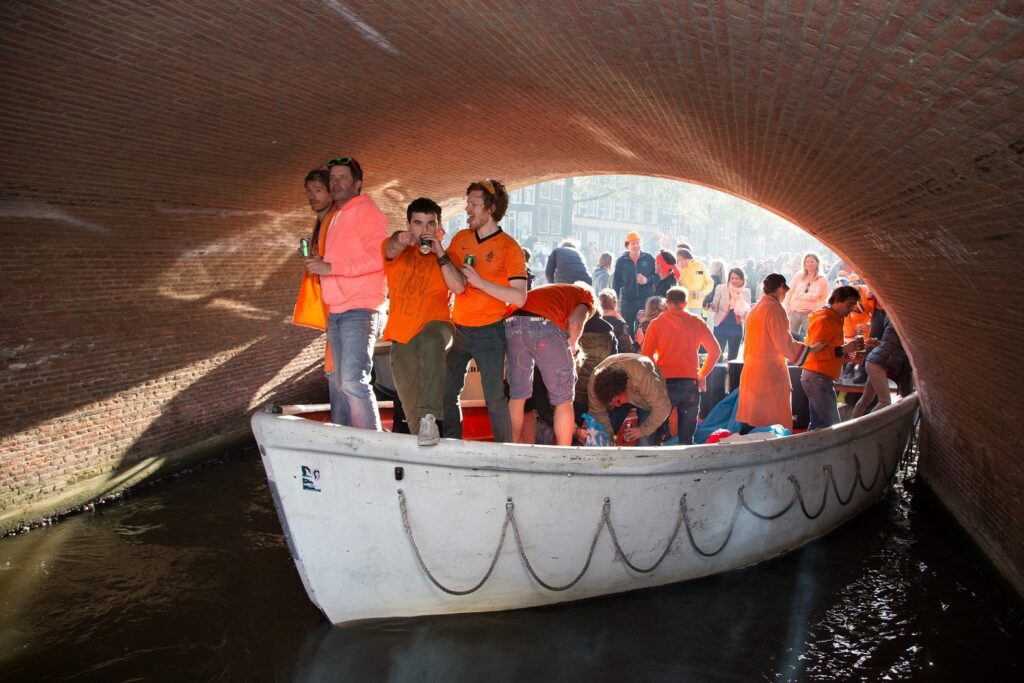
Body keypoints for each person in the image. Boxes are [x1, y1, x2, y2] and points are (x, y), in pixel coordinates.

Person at [441, 179, 528, 443]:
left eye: (473, 204)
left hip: (490, 332)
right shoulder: (460, 239)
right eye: (468, 202)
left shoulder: (509, 248)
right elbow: (447, 274)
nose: (467, 208)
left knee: (494, 398)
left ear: (490, 209)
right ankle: (452, 445)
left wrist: (480, 282)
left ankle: (504, 454)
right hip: (458, 329)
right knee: (446, 392)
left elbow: (520, 297)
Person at [304, 156, 387, 430]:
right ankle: (348, 447)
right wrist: (321, 261)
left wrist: (329, 267)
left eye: (343, 178)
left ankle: (372, 447)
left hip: (359, 309)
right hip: (338, 310)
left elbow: (377, 258)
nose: (336, 183)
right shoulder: (338, 216)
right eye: (333, 179)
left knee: (353, 381)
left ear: (358, 184)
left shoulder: (366, 211)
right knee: (342, 384)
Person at [381, 198, 454, 443]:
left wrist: (439, 251)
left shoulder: (447, 254)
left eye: (430, 224)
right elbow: (389, 249)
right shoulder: (400, 250)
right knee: (413, 417)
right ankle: (427, 449)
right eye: (418, 223)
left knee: (431, 340)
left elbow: (459, 285)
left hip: (438, 326)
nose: (424, 230)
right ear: (409, 225)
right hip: (403, 336)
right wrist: (400, 239)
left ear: (438, 226)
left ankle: (431, 418)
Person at [505, 284, 594, 445]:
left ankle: (512, 449)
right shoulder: (586, 297)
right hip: (543, 325)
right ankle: (563, 457)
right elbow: (574, 323)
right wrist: (571, 347)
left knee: (517, 395)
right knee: (563, 399)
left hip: (512, 323)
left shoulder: (556, 292)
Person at [736, 274, 821, 431]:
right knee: (771, 421)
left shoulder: (757, 308)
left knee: (754, 420)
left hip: (752, 368)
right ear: (781, 288)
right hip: (768, 372)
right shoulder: (774, 308)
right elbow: (784, 343)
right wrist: (809, 350)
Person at [641, 286, 722, 444]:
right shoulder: (696, 322)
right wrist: (702, 374)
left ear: (667, 303)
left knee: (657, 435)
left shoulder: (656, 324)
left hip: (664, 385)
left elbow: (646, 358)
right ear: (685, 303)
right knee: (687, 439)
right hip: (690, 384)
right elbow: (716, 351)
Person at [296, 168, 340, 405]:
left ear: (331, 193)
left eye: (318, 190)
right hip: (329, 304)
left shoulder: (336, 220)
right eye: (309, 191)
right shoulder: (321, 222)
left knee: (343, 373)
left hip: (340, 304)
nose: (312, 196)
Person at [800, 286, 867, 430]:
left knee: (819, 425)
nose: (851, 310)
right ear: (837, 301)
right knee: (830, 425)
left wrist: (847, 353)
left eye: (853, 306)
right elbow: (814, 352)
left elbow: (829, 350)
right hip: (817, 376)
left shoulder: (834, 319)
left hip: (818, 377)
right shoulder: (824, 321)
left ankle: (813, 451)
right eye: (849, 305)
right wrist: (843, 350)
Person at [588, 354, 672, 446]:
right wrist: (608, 439)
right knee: (607, 433)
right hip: (629, 384)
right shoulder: (594, 384)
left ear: (624, 390)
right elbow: (598, 413)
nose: (616, 405)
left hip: (647, 398)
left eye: (618, 402)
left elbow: (663, 408)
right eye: (610, 403)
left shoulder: (643, 377)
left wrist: (642, 430)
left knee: (644, 442)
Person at [851, 301, 909, 419]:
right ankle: (864, 427)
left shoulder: (892, 320)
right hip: (877, 364)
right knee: (885, 402)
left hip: (874, 361)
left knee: (866, 399)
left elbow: (891, 342)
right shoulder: (899, 323)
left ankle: (851, 425)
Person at [611, 231, 657, 333]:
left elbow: (658, 277)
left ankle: (642, 349)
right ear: (627, 246)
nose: (636, 245)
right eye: (633, 243)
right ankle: (629, 348)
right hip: (628, 302)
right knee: (627, 330)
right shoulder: (621, 261)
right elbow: (616, 283)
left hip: (645, 302)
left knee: (644, 329)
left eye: (638, 242)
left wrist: (647, 280)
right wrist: (615, 303)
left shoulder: (649, 259)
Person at [709, 267, 752, 361]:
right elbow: (715, 305)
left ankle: (732, 375)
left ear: (742, 279)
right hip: (721, 324)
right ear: (729, 278)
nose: (734, 281)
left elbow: (747, 309)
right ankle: (718, 375)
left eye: (737, 278)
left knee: (733, 357)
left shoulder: (746, 291)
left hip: (736, 326)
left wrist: (745, 313)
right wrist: (713, 306)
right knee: (717, 356)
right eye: (732, 278)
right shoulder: (720, 288)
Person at [784, 252, 829, 337]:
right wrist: (787, 308)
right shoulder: (798, 276)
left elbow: (824, 299)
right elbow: (789, 292)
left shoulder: (822, 279)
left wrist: (815, 313)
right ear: (804, 264)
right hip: (794, 312)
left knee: (812, 338)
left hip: (810, 314)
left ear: (817, 263)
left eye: (812, 261)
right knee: (790, 338)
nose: (809, 264)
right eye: (807, 262)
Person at [676, 248, 715, 317]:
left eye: (679, 259)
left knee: (694, 326)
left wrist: (702, 292)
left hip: (696, 306)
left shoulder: (700, 266)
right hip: (681, 305)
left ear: (686, 259)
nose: (678, 262)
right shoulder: (679, 268)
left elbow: (710, 282)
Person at [598, 288, 636, 353]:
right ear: (615, 303)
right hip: (614, 361)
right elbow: (627, 350)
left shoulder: (592, 321)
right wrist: (637, 343)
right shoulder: (621, 324)